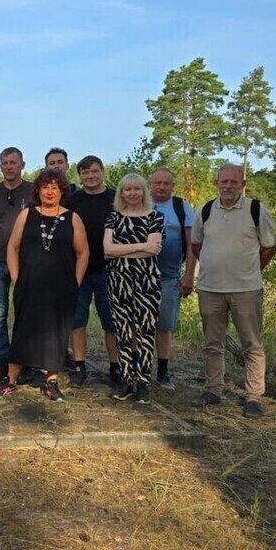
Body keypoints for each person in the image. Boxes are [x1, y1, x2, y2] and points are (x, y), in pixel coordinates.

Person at [0, 168, 88, 402]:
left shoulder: (72, 218)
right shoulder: (27, 215)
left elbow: (83, 253)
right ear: (38, 190)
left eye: (55, 186)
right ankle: (11, 380)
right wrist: (16, 277)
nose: (50, 191)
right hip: (29, 284)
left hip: (61, 286)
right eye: (45, 186)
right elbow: (12, 247)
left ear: (62, 190)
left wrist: (75, 282)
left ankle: (51, 382)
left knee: (56, 333)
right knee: (23, 329)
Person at [190, 164, 276, 418]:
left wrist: (250, 270)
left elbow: (269, 248)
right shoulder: (204, 211)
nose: (228, 186)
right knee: (212, 343)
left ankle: (253, 397)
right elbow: (197, 246)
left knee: (252, 344)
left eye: (233, 182)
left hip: (246, 289)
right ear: (216, 182)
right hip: (210, 288)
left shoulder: (256, 210)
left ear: (242, 184)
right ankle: (213, 390)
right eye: (223, 181)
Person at [103, 173, 166, 404]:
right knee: (123, 330)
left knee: (145, 330)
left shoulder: (156, 217)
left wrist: (123, 249)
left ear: (143, 191)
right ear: (121, 193)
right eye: (127, 189)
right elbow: (107, 250)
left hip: (147, 281)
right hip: (119, 279)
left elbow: (154, 251)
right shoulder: (113, 218)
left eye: (136, 189)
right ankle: (126, 378)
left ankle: (143, 382)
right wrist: (141, 247)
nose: (132, 193)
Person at [0, 147, 35, 380]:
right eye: (5, 163)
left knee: (25, 313)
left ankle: (25, 360)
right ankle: (3, 360)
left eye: (13, 162)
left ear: (22, 164)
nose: (9, 167)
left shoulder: (33, 191)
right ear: (0, 166)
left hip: (26, 263)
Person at [66, 155, 119, 386]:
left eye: (94, 171)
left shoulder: (116, 198)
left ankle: (116, 367)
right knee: (77, 320)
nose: (90, 176)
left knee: (111, 322)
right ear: (80, 176)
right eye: (85, 173)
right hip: (80, 271)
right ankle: (79, 366)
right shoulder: (73, 201)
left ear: (102, 171)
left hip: (110, 271)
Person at [149, 168, 196, 390]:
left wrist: (189, 275)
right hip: (141, 275)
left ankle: (163, 371)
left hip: (170, 277)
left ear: (172, 186)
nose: (161, 187)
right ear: (150, 184)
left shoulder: (181, 206)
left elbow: (192, 245)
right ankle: (138, 368)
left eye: (166, 183)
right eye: (157, 183)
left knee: (164, 325)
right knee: (138, 325)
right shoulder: (141, 203)